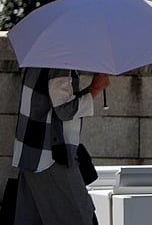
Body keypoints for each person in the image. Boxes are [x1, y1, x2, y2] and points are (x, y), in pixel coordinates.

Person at [11, 67, 109, 225]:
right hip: (50, 156)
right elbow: (64, 110)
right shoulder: (60, 64)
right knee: (80, 216)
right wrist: (95, 88)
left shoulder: (42, 58)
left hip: (32, 154)